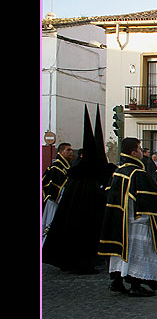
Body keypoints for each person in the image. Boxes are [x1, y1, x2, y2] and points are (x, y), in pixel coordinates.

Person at [44, 106, 115, 274]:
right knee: (83, 233)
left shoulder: (79, 173)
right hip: (78, 210)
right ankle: (82, 262)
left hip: (73, 208)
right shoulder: (83, 175)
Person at [99, 137, 157, 297]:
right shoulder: (137, 173)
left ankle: (117, 281)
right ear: (133, 152)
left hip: (121, 221)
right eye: (140, 149)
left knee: (121, 253)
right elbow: (150, 195)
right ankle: (136, 284)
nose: (143, 152)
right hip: (137, 222)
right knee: (138, 252)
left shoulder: (118, 171)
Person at [42, 142, 74, 241]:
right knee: (50, 224)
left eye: (71, 150)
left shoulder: (67, 166)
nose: (71, 152)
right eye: (68, 150)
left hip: (62, 201)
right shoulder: (56, 166)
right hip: (54, 200)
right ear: (60, 152)